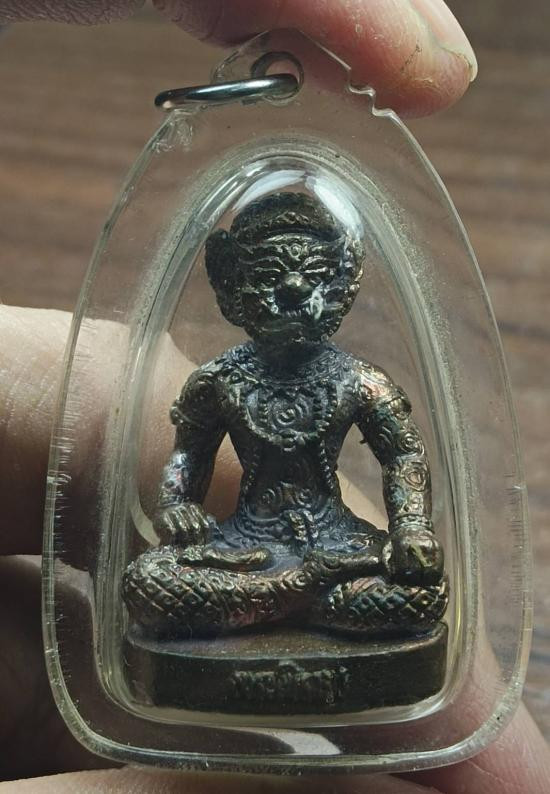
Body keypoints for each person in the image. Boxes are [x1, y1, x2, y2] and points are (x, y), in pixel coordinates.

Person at [0, 1, 548, 792]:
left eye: (313, 277)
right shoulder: (220, 382)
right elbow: (184, 465)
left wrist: (411, 530)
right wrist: (179, 508)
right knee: (146, 586)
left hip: (340, 545)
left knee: (422, 596)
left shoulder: (359, 382)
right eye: (268, 276)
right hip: (244, 547)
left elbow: (403, 460)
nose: (293, 291)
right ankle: (293, 592)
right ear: (230, 288)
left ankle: (285, 597)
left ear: (345, 287)